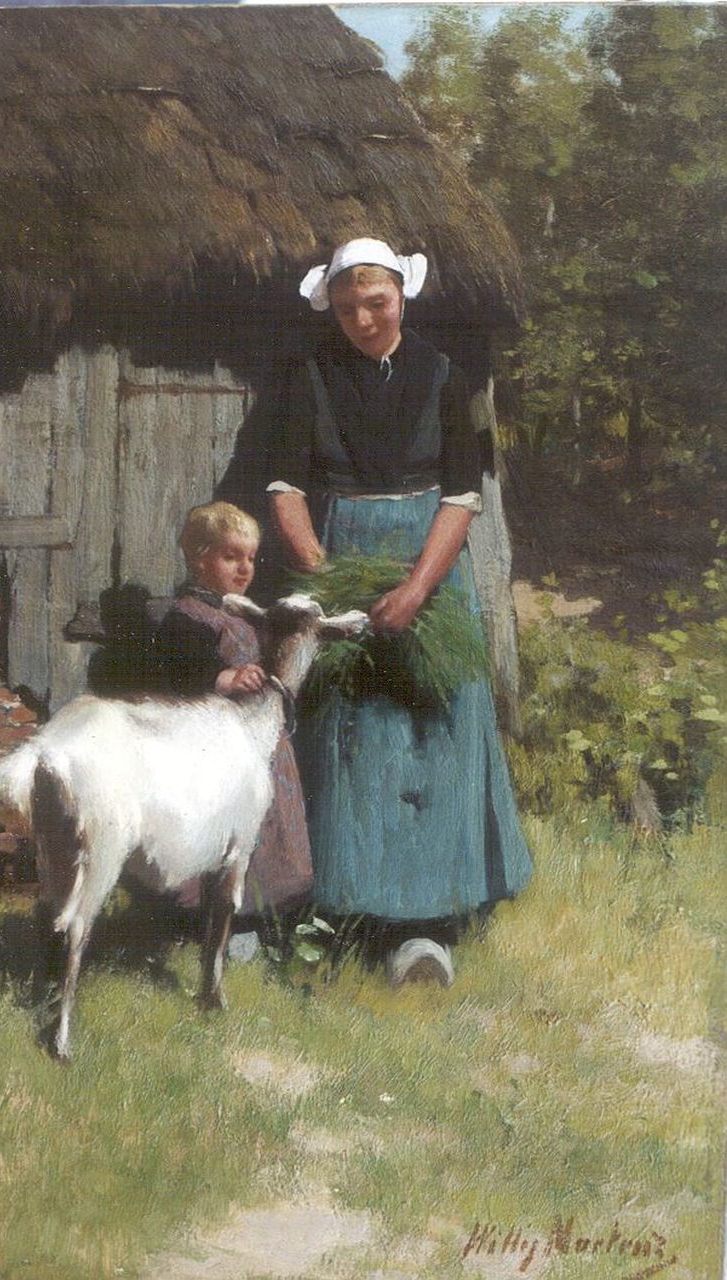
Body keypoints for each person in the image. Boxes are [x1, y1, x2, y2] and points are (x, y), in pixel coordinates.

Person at [268, 237, 532, 982]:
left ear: (402, 297)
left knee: (429, 729)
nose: (363, 318)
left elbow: (461, 495)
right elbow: (285, 489)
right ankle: (348, 911)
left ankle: (427, 927)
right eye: (348, 307)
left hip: (429, 566)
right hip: (342, 556)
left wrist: (417, 588)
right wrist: (331, 580)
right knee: (354, 739)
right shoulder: (310, 377)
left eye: (376, 302)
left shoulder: (443, 377)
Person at [146, 501, 313, 918]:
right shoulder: (187, 617)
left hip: (257, 745)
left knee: (266, 833)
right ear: (200, 559)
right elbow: (182, 672)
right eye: (231, 556)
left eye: (251, 559)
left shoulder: (241, 613)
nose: (244, 569)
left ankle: (262, 916)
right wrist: (226, 679)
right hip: (214, 747)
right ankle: (219, 920)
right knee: (220, 830)